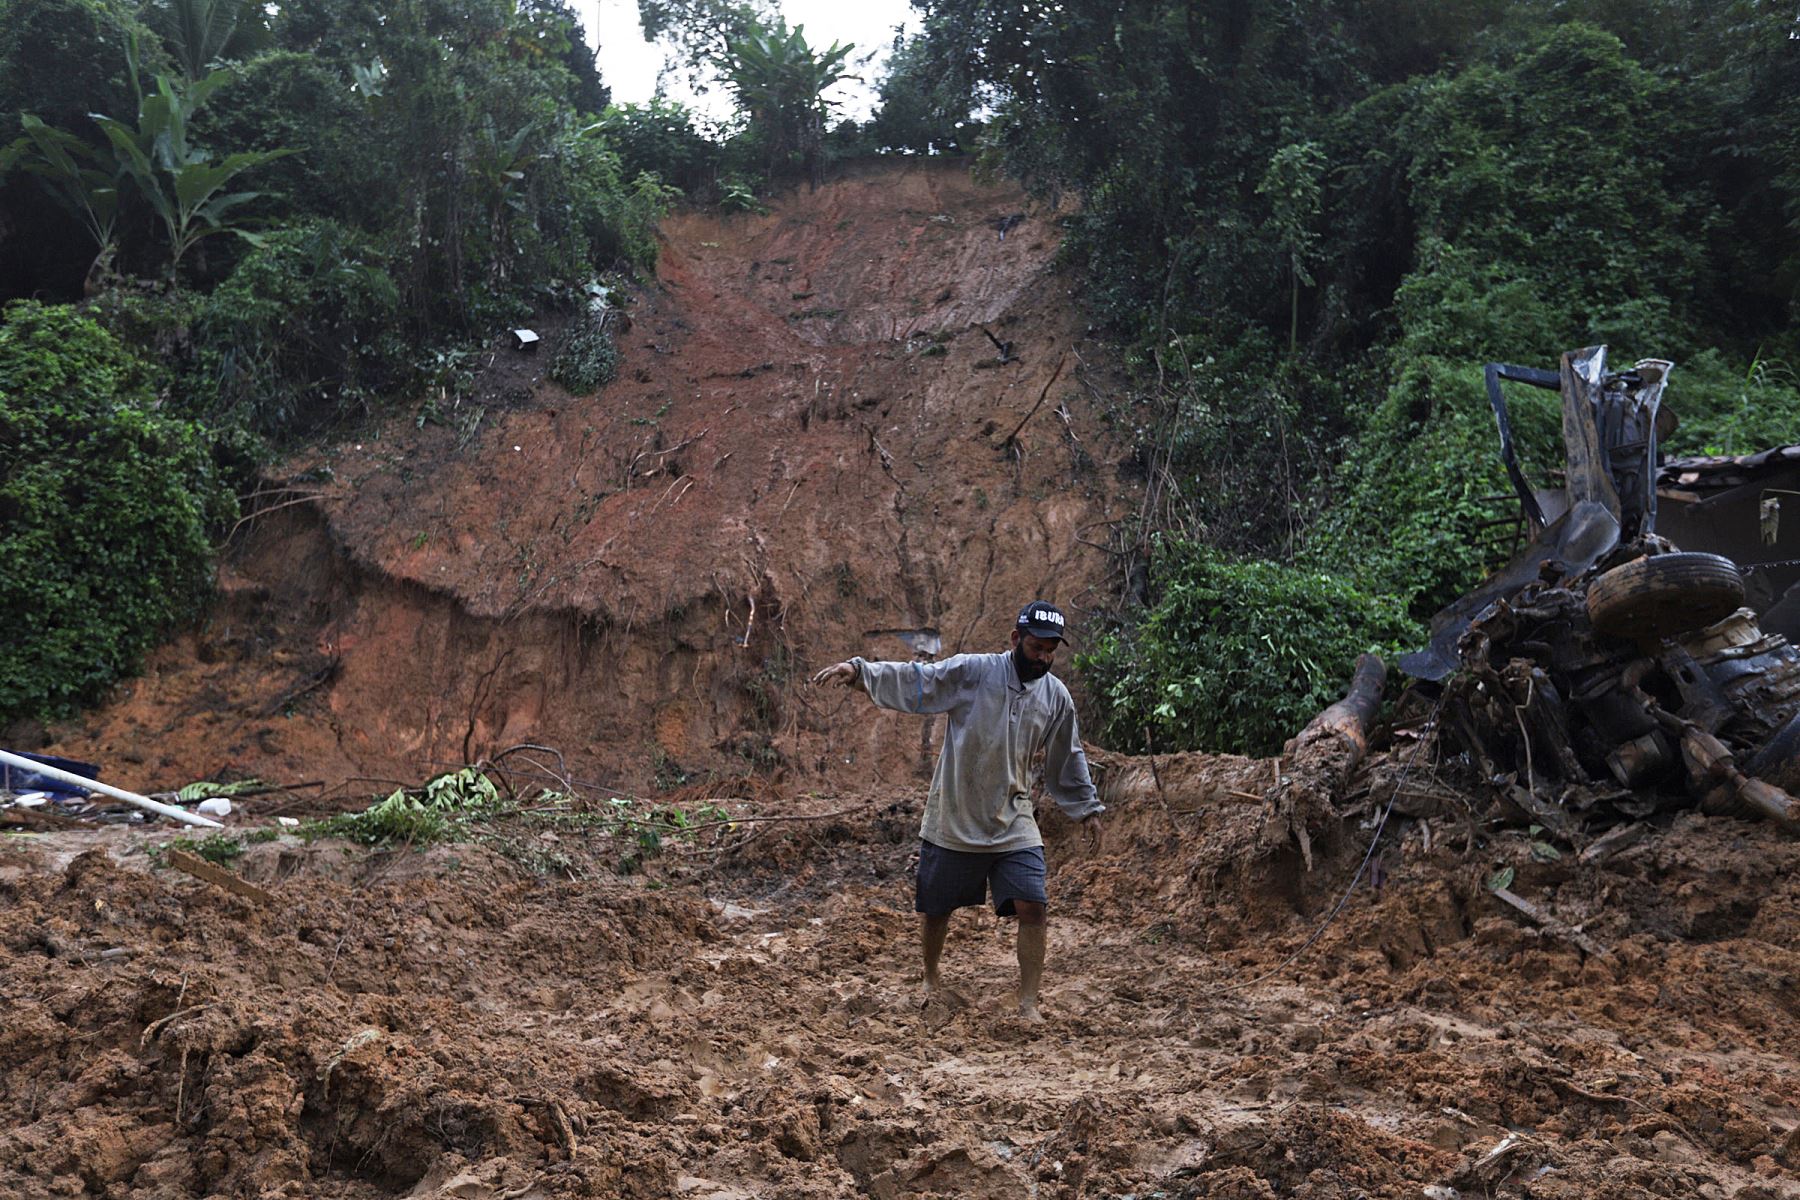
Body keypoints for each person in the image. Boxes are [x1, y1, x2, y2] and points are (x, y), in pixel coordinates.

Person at [810, 601, 1105, 1022]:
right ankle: (930, 979)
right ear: (1015, 640)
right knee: (936, 908)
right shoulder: (974, 672)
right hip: (954, 811)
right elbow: (920, 682)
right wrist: (861, 673)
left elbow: (1067, 756)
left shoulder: (1056, 696)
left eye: (1050, 651)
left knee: (1033, 905)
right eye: (1037, 647)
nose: (1043, 657)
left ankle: (1028, 1004)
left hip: (1013, 817)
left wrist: (1087, 807)